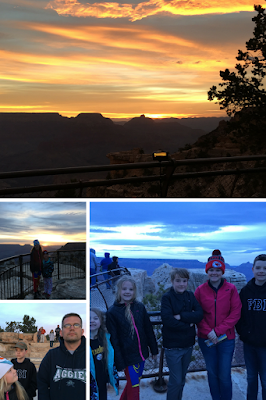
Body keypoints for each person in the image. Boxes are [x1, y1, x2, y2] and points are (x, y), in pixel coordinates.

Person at [194, 249, 242, 400]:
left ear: (222, 271)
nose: (214, 273)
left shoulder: (231, 289)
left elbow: (236, 312)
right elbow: (197, 313)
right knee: (212, 372)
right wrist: (209, 332)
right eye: (211, 270)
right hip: (206, 338)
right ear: (207, 271)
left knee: (224, 373)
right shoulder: (200, 290)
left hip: (226, 339)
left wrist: (218, 331)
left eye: (217, 270)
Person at [106, 275, 158, 400]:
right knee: (134, 387)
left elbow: (148, 329)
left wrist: (154, 349)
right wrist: (120, 362)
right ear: (118, 290)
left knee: (132, 384)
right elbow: (114, 340)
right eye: (124, 289)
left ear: (135, 291)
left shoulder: (139, 307)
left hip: (142, 354)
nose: (127, 292)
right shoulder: (112, 312)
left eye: (131, 289)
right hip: (127, 358)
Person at [161, 268, 203, 400]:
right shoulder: (167, 297)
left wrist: (181, 316)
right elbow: (168, 320)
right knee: (176, 381)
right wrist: (188, 323)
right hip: (173, 347)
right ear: (172, 281)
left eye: (184, 281)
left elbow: (199, 314)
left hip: (188, 345)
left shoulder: (190, 295)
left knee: (182, 380)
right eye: (178, 281)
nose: (181, 284)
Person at [236, 254, 266, 400]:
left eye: (265, 268)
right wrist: (244, 334)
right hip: (249, 345)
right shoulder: (245, 291)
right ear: (253, 270)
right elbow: (238, 315)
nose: (262, 271)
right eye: (258, 268)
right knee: (251, 378)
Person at [38, 312, 86, 400]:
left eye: (76, 325)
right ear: (61, 332)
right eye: (67, 325)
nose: (72, 328)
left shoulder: (89, 355)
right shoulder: (51, 356)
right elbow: (42, 383)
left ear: (82, 331)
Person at [90, 308, 119, 400]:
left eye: (95, 318)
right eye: (89, 318)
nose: (92, 321)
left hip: (102, 379)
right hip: (90, 382)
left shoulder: (105, 338)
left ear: (101, 321)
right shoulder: (82, 341)